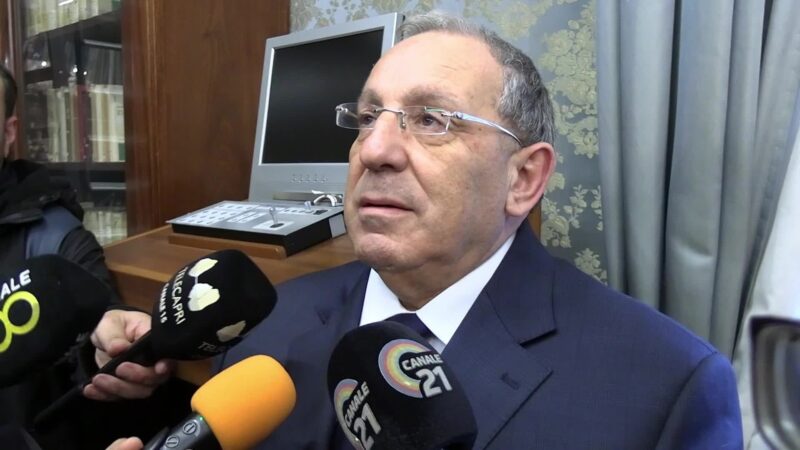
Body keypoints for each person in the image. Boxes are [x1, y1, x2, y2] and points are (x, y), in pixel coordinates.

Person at [97, 12, 743, 449]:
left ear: (523, 178)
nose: (374, 150)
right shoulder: (272, 323)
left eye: (432, 119)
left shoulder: (667, 390)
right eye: (367, 117)